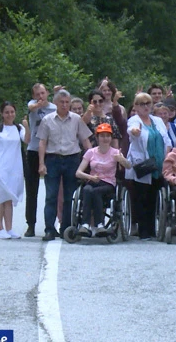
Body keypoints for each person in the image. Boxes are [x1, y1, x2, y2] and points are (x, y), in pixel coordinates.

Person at [37, 89, 93, 241]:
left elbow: (85, 140)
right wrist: (41, 163)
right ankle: (49, 229)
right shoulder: (47, 120)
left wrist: (93, 159)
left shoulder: (76, 119)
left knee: (70, 196)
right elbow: (42, 142)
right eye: (61, 102)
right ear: (55, 103)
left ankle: (66, 229)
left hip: (72, 159)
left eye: (67, 102)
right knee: (51, 196)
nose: (64, 105)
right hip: (53, 159)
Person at [126, 92, 172, 240]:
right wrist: (135, 131)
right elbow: (132, 131)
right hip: (144, 164)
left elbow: (166, 138)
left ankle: (153, 230)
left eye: (148, 103)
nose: (145, 107)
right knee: (142, 197)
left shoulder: (157, 120)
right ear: (136, 107)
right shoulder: (134, 120)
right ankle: (143, 230)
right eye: (141, 104)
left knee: (154, 197)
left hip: (159, 163)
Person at [75, 123, 131, 237]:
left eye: (107, 136)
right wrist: (90, 177)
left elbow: (129, 166)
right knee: (87, 190)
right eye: (102, 136)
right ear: (97, 138)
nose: (105, 139)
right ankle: (85, 224)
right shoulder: (91, 152)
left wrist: (121, 160)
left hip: (108, 183)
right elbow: (78, 173)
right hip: (93, 180)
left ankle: (99, 224)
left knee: (96, 192)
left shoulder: (115, 152)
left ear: (111, 138)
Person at [0, 102, 31, 239]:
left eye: (12, 112)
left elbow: (27, 140)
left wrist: (27, 126)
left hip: (14, 168)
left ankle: (9, 228)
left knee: (9, 198)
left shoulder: (19, 128)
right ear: (2, 114)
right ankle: (0, 229)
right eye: (7, 112)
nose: (10, 115)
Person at [24, 83, 57, 237]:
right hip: (33, 150)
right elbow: (31, 108)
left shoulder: (54, 108)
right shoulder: (32, 105)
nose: (41, 96)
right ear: (33, 96)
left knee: (52, 191)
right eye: (37, 94)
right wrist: (38, 104)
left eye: (43, 93)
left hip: (50, 152)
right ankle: (30, 224)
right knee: (32, 191)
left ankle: (51, 224)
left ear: (48, 93)